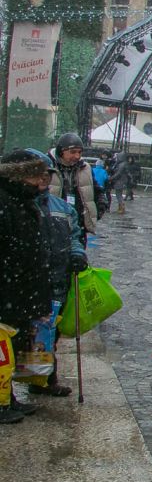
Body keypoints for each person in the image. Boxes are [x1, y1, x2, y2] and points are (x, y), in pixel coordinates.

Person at [0, 150, 57, 422]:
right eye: (36, 176)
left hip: (19, 288)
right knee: (2, 351)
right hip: (7, 288)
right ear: (20, 176)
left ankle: (8, 397)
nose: (40, 182)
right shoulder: (6, 202)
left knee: (12, 347)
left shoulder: (22, 201)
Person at [25, 149, 86, 398]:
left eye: (47, 174)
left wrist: (77, 254)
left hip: (57, 281)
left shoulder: (62, 208)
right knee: (23, 335)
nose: (43, 179)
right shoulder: (19, 205)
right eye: (38, 174)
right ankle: (14, 386)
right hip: (26, 283)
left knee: (49, 333)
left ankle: (43, 378)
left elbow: (74, 236)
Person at [48, 133, 98, 237]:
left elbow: (96, 190)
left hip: (79, 225)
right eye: (73, 152)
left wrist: (98, 208)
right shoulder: (48, 167)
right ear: (61, 151)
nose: (77, 156)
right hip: (52, 225)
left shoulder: (85, 168)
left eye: (80, 152)